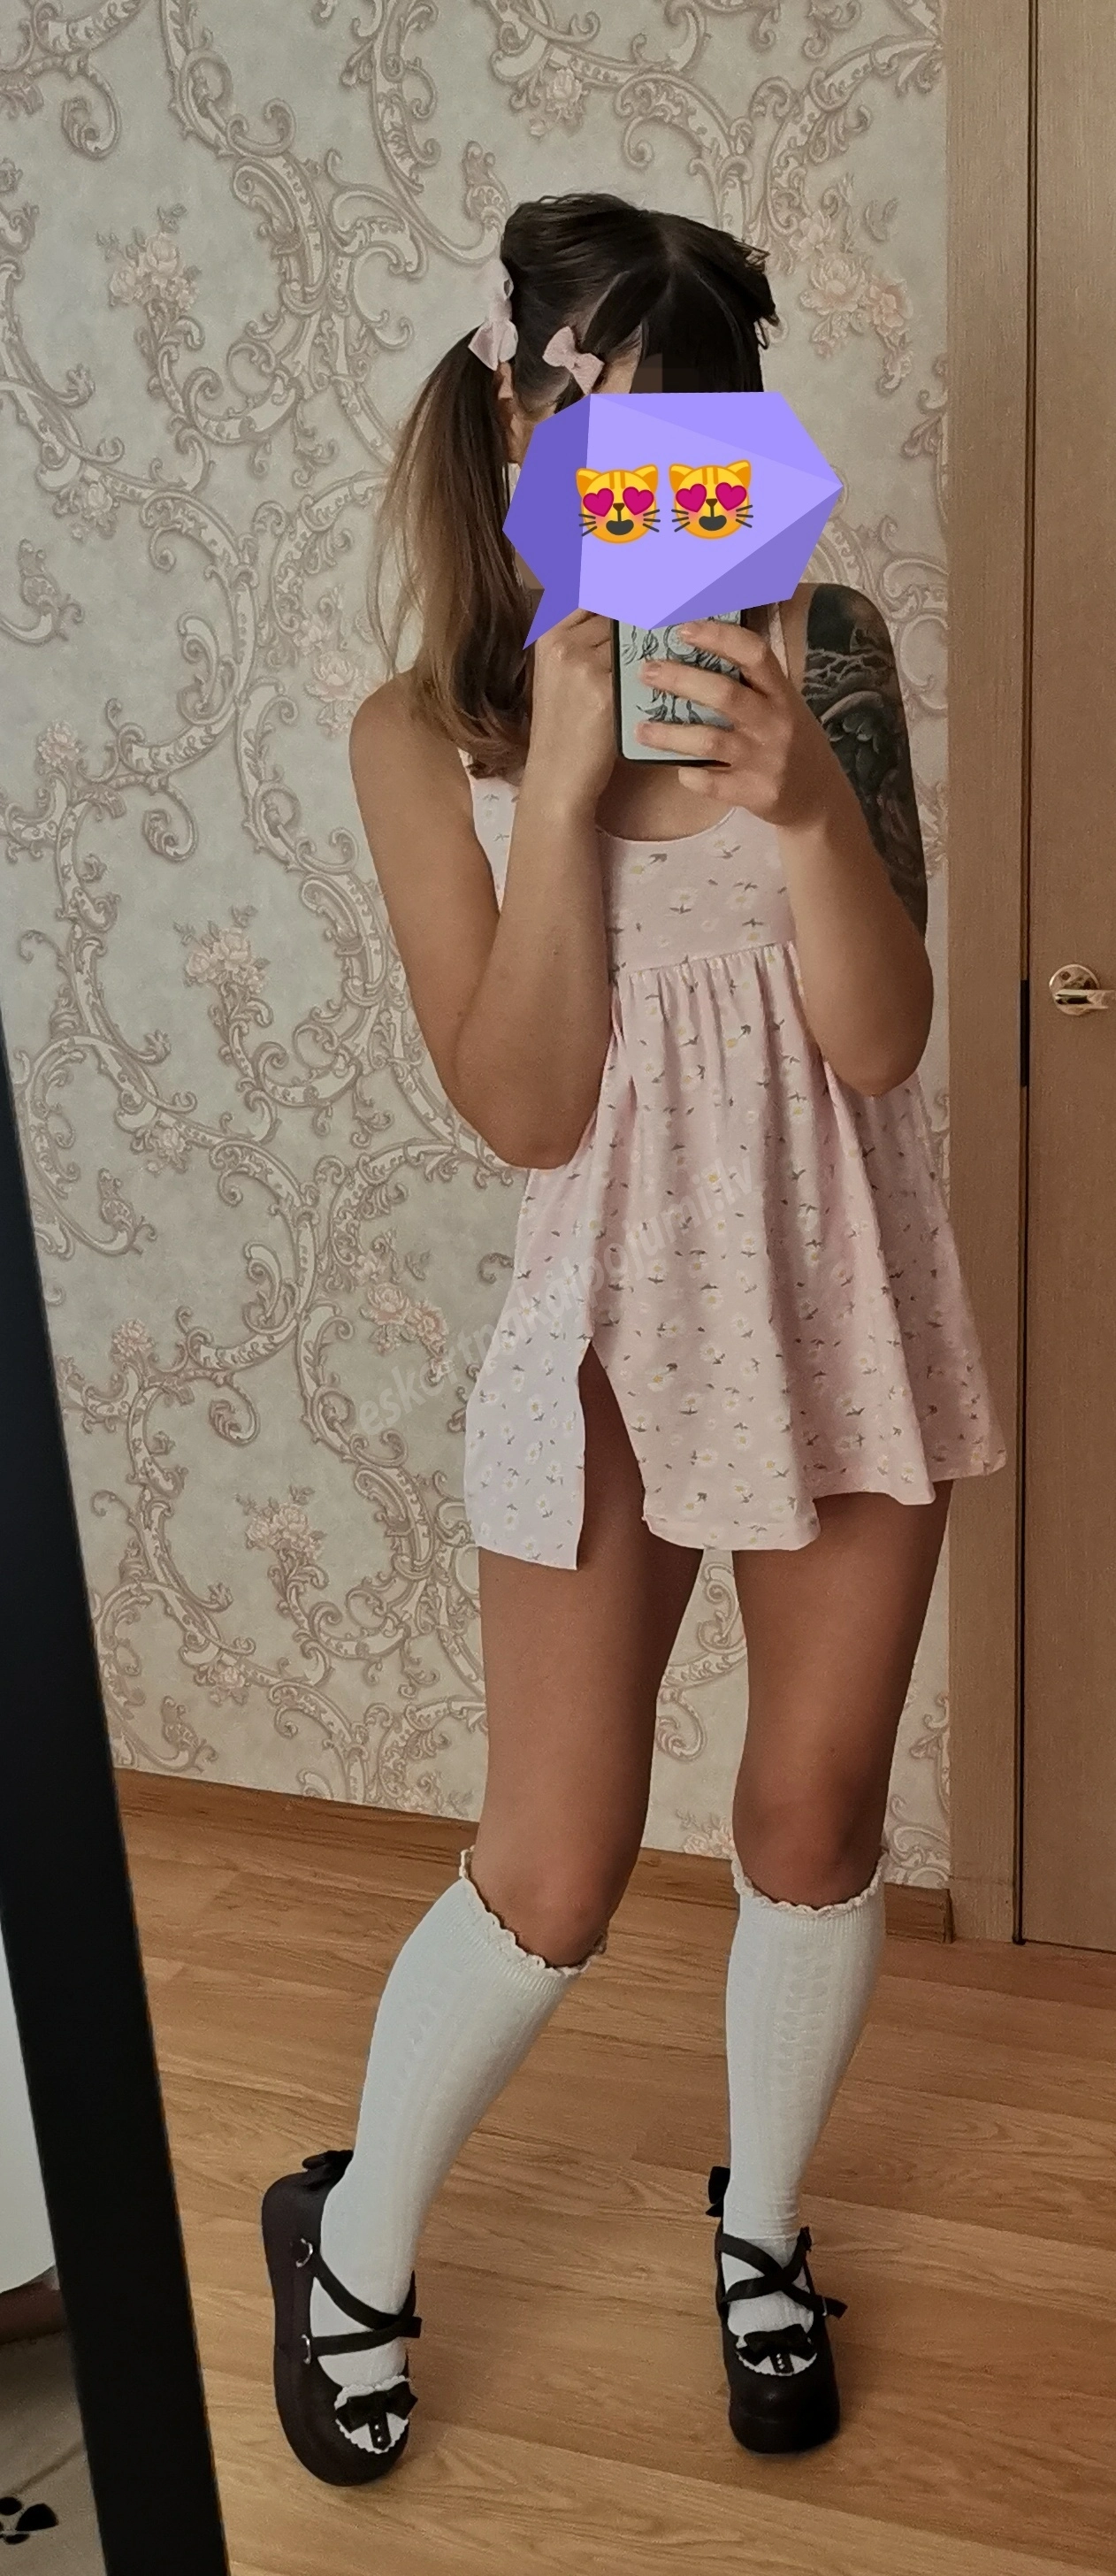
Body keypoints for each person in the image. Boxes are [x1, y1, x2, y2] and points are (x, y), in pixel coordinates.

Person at [261, 192, 1005, 2485]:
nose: (645, 474)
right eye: (599, 423)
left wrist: (804, 804)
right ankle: (353, 2243)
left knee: (810, 1817)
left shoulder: (828, 652)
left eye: (695, 430)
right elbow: (522, 1107)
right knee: (555, 1868)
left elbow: (880, 1045)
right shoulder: (424, 733)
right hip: (601, 1322)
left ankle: (760, 2231)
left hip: (841, 1303)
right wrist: (569, 781)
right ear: (517, 417)